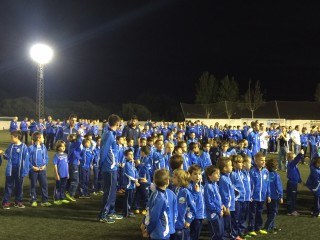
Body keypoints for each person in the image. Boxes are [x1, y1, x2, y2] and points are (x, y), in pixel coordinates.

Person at [98, 114, 123, 223]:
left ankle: (111, 212)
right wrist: (102, 165)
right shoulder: (109, 135)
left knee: (112, 191)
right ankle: (103, 215)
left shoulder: (110, 133)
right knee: (109, 192)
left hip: (112, 167)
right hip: (109, 167)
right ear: (117, 123)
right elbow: (103, 151)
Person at [2, 130, 29, 209]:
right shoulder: (11, 146)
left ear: (17, 137)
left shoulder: (24, 147)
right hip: (10, 170)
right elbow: (6, 156)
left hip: (20, 171)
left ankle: (18, 202)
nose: (10, 138)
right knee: (8, 186)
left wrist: (25, 171)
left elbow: (26, 160)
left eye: (12, 137)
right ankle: (6, 202)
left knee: (19, 186)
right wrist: (3, 153)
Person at [144, 169, 171, 239]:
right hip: (160, 232)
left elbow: (148, 209)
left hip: (155, 232)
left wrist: (144, 223)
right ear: (167, 182)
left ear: (154, 181)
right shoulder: (161, 198)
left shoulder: (154, 193)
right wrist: (148, 230)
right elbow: (154, 218)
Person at [247, 152, 270, 236]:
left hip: (262, 197)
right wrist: (250, 195)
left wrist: (269, 195)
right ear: (256, 161)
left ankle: (258, 228)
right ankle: (251, 228)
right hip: (254, 197)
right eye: (261, 160)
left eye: (264, 160)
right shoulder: (252, 171)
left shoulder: (266, 171)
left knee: (259, 213)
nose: (263, 162)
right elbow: (249, 185)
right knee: (252, 213)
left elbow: (267, 184)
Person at [28, 132, 51, 207]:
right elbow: (26, 160)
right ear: (38, 138)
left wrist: (44, 165)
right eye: (42, 137)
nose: (44, 138)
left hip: (42, 170)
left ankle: (44, 200)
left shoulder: (44, 147)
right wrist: (32, 167)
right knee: (33, 185)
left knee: (44, 185)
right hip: (33, 170)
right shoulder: (31, 148)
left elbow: (46, 157)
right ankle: (33, 200)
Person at [172, 169, 196, 240]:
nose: (172, 178)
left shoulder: (185, 192)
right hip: (173, 224)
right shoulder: (173, 190)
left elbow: (192, 208)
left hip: (182, 225)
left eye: (174, 177)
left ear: (180, 180)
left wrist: (188, 220)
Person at [204, 165, 224, 240]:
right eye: (216, 173)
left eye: (219, 173)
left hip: (219, 213)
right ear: (209, 176)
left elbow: (218, 198)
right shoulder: (208, 187)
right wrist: (218, 211)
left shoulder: (215, 185)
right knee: (216, 234)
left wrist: (222, 205)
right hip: (213, 215)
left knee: (221, 232)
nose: (219, 175)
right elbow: (209, 203)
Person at [263, 159, 283, 233]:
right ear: (275, 167)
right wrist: (280, 196)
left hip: (268, 196)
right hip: (275, 197)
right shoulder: (276, 175)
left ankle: (272, 226)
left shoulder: (266, 174)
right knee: (274, 212)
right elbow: (278, 186)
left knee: (269, 212)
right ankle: (267, 227)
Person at [217, 157, 235, 239]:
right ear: (224, 168)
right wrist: (226, 207)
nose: (232, 167)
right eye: (230, 165)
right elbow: (224, 195)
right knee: (225, 225)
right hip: (226, 207)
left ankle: (229, 235)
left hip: (229, 206)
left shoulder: (227, 177)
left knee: (228, 224)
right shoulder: (223, 179)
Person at [229, 155, 245, 240]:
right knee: (235, 218)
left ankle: (239, 232)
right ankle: (234, 235)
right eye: (239, 162)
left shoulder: (242, 173)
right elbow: (231, 187)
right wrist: (237, 195)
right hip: (236, 200)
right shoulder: (233, 174)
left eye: (242, 162)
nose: (242, 164)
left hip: (243, 199)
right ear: (234, 164)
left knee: (240, 217)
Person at [187, 164, 205, 240]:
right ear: (190, 176)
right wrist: (196, 192)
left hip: (201, 214)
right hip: (195, 216)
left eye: (199, 174)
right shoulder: (190, 187)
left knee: (197, 235)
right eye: (195, 174)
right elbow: (191, 201)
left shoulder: (201, 186)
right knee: (193, 235)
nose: (197, 176)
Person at [286, 149, 304, 216]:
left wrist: (300, 181)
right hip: (292, 183)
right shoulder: (291, 164)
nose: (294, 159)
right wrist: (300, 154)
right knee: (291, 197)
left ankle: (291, 209)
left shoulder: (294, 165)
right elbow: (296, 160)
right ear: (289, 159)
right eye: (293, 158)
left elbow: (297, 174)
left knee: (293, 197)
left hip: (294, 183)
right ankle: (291, 210)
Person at [134, 146, 151, 215]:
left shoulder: (148, 159)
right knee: (137, 194)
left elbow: (147, 169)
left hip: (145, 180)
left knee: (145, 195)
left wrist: (139, 164)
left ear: (142, 152)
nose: (139, 153)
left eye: (140, 152)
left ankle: (145, 208)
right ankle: (137, 207)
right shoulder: (141, 159)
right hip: (139, 179)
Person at [123, 149, 140, 217]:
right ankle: (126, 213)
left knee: (131, 198)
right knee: (127, 199)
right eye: (130, 154)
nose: (132, 155)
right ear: (126, 156)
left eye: (132, 154)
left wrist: (137, 178)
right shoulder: (127, 164)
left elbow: (135, 172)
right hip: (128, 185)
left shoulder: (132, 163)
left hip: (132, 185)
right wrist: (135, 181)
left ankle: (129, 211)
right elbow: (128, 174)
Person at [65, 133, 82, 202]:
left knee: (71, 179)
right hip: (73, 164)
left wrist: (78, 159)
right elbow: (80, 141)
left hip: (73, 162)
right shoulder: (75, 143)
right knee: (75, 180)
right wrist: (78, 135)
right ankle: (70, 194)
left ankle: (67, 191)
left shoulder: (72, 144)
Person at [53, 140, 70, 205]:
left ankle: (62, 198)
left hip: (65, 174)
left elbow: (67, 164)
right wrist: (56, 174)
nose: (63, 148)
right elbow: (55, 165)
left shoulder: (66, 155)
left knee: (63, 187)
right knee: (58, 187)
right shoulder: (56, 156)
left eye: (64, 146)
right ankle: (56, 199)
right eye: (62, 147)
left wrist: (68, 173)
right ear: (58, 147)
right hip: (59, 175)